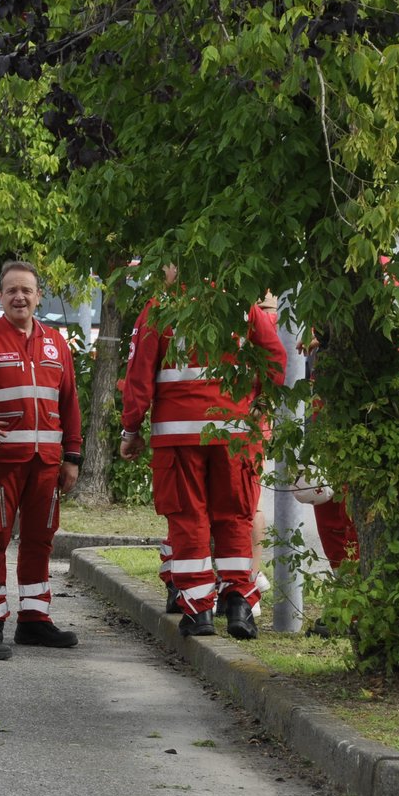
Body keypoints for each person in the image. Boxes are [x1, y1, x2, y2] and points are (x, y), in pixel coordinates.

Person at [120, 264, 286, 639]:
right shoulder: (240, 305)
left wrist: (130, 429)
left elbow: (139, 374)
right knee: (236, 517)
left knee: (188, 519)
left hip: (178, 435)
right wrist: (263, 403)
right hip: (235, 432)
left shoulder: (159, 307)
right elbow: (274, 353)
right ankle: (240, 605)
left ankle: (198, 611)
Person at [0, 260, 82, 649]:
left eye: (26, 290)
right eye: (11, 290)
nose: (19, 297)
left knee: (40, 541)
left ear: (38, 297)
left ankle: (35, 618)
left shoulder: (56, 342)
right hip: (1, 463)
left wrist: (73, 456)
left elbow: (69, 402)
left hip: (46, 464)